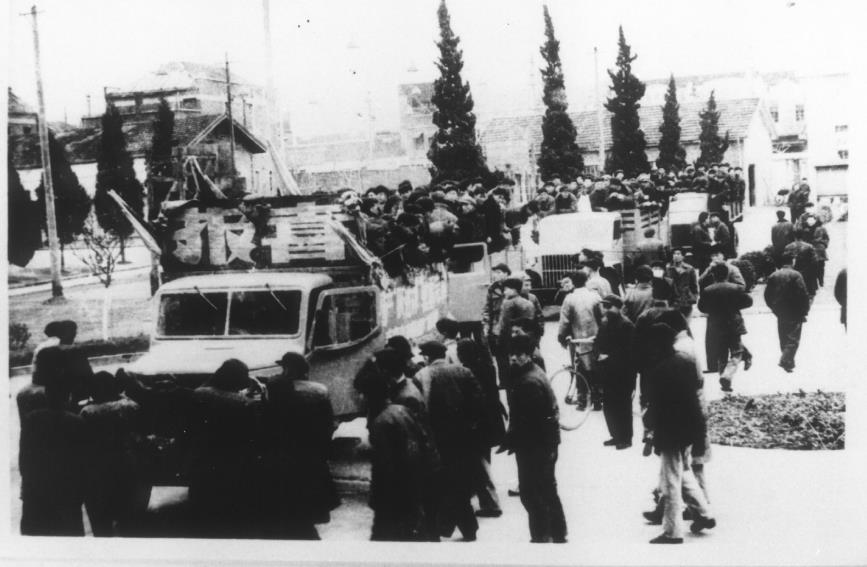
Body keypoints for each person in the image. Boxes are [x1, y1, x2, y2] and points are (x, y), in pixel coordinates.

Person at [642, 324, 715, 544]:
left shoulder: (658, 369)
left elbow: (655, 406)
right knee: (683, 472)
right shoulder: (686, 361)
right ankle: (704, 513)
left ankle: (672, 531)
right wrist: (699, 429)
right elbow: (694, 395)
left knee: (670, 481)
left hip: (669, 431)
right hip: (687, 427)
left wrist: (649, 432)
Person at [359, 362, 440, 542]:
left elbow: (385, 466)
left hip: (395, 495)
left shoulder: (381, 422)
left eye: (362, 393)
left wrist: (379, 499)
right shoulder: (400, 410)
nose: (360, 398)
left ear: (369, 395)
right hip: (413, 487)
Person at [261, 352, 337, 539]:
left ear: (287, 368)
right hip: (311, 451)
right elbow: (329, 423)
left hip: (283, 450)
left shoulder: (276, 388)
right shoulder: (319, 390)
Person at [500, 335, 567, 543]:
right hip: (546, 443)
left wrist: (512, 440)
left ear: (528, 355)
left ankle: (541, 535)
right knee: (547, 488)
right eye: (511, 354)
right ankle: (557, 532)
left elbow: (529, 422)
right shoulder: (533, 372)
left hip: (535, 446)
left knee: (531, 492)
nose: (513, 358)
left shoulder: (528, 382)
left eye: (519, 354)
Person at [415, 341, 484, 541]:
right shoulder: (464, 371)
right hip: (463, 439)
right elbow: (479, 402)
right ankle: (468, 529)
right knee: (460, 484)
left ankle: (441, 528)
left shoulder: (422, 375)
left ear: (427, 357)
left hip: (438, 441)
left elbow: (421, 411)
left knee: (440, 486)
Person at [188, 359, 263, 538]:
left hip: (202, 458)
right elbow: (254, 435)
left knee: (202, 505)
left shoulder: (198, 394)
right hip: (232, 461)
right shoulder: (245, 403)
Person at [19, 353, 90, 536]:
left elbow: (24, 457)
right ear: (67, 396)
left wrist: (27, 484)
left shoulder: (32, 419)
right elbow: (82, 461)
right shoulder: (76, 421)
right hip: (67, 487)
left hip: (38, 486)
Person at [79, 371, 145, 537]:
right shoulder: (129, 406)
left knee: (101, 520)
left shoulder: (87, 412)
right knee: (127, 517)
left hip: (98, 467)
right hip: (125, 463)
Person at [456, 339, 504, 519]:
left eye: (460, 351)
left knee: (480, 464)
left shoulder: (469, 372)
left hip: (479, 423)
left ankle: (490, 503)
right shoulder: (487, 366)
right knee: (484, 460)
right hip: (491, 421)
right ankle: (482, 495)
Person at [698, 263, 753, 392]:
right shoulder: (736, 288)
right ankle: (727, 375)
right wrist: (735, 307)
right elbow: (748, 302)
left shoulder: (707, 290)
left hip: (716, 325)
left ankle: (724, 380)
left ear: (713, 275)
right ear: (727, 274)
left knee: (721, 354)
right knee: (737, 352)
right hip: (734, 323)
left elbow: (702, 307)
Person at [595, 295, 636, 450]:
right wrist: (598, 354)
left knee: (623, 405)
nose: (606, 309)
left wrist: (610, 357)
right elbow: (597, 343)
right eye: (604, 306)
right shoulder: (604, 323)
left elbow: (630, 351)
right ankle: (615, 435)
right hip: (607, 371)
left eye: (609, 306)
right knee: (609, 405)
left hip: (623, 373)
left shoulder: (626, 325)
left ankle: (625, 438)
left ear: (618, 307)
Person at [557, 271, 602, 410]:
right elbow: (602, 316)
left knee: (580, 368)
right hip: (595, 338)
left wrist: (562, 337)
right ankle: (597, 399)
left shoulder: (569, 298)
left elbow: (564, 321)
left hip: (578, 339)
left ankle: (582, 401)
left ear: (573, 282)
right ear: (586, 281)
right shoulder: (595, 296)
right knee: (596, 367)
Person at [764, 255, 811, 373]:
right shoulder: (796, 275)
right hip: (795, 310)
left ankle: (788, 363)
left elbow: (767, 295)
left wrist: (773, 308)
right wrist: (805, 310)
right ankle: (785, 360)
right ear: (792, 261)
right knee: (793, 338)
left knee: (783, 336)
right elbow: (803, 293)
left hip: (780, 310)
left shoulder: (773, 275)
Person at [495, 277, 537, 390]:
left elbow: (504, 325)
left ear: (513, 290)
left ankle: (507, 384)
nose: (504, 292)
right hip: (527, 338)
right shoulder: (528, 302)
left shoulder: (508, 303)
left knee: (509, 365)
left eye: (506, 289)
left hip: (511, 340)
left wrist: (499, 341)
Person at [783, 230, 819, 298]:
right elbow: (815, 261)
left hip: (792, 274)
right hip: (806, 274)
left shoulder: (788, 247)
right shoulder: (809, 246)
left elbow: (785, 261)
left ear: (794, 236)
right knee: (809, 295)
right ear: (803, 236)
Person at [665, 249, 699, 317]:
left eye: (678, 254)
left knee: (686, 320)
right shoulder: (668, 268)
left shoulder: (689, 268)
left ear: (683, 256)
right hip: (672, 300)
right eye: (674, 254)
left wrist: (694, 297)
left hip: (686, 300)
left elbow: (694, 285)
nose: (676, 256)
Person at [799, 212, 829, 287]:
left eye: (813, 219)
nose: (811, 221)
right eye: (809, 219)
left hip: (819, 250)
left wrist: (823, 245)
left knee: (820, 267)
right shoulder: (804, 228)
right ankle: (816, 282)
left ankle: (821, 281)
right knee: (813, 267)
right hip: (810, 250)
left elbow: (826, 238)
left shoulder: (821, 228)